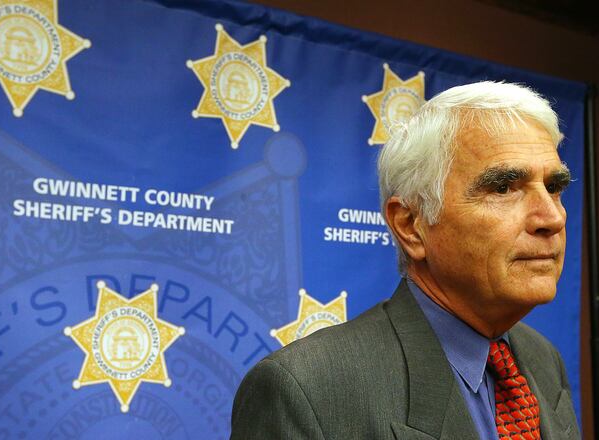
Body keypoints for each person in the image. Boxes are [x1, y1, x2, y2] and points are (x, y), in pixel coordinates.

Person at [230, 81, 580, 439]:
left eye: (554, 188)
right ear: (411, 225)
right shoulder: (306, 389)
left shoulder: (541, 358)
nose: (552, 218)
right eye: (503, 188)